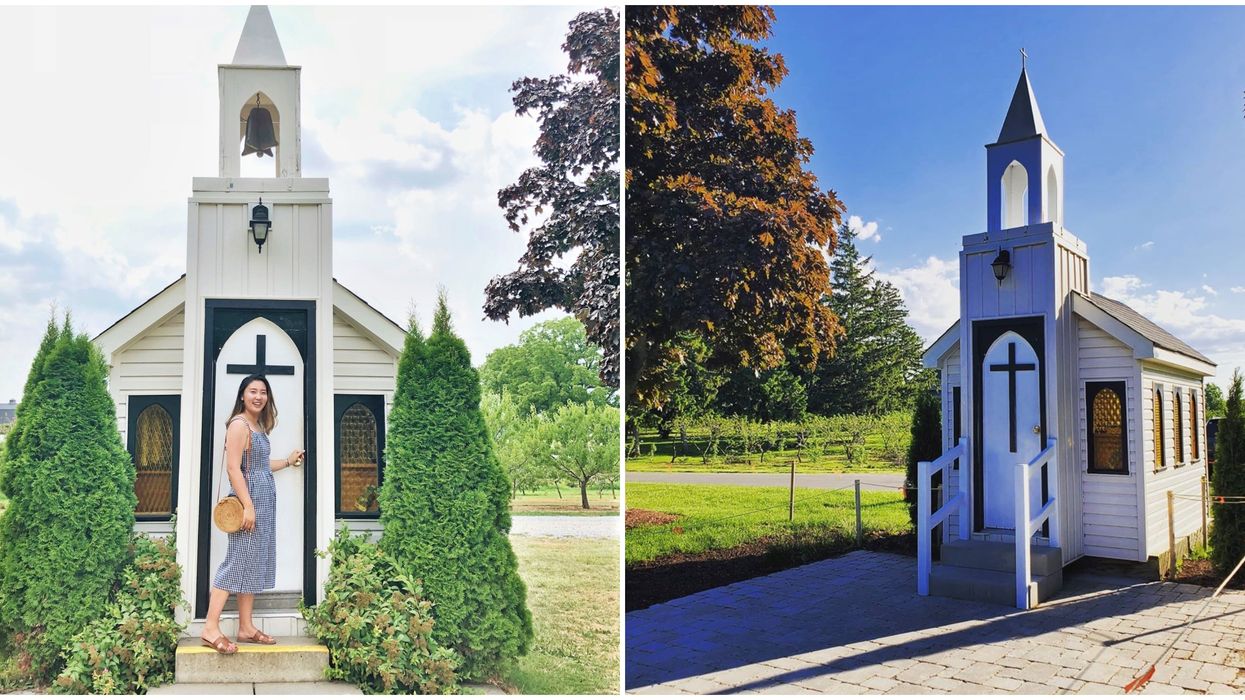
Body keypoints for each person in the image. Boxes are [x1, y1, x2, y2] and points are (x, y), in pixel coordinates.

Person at [199, 374, 305, 654]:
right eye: (253, 391)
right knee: (236, 562)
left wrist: (288, 461)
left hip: (263, 501)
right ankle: (210, 627)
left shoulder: (258, 426)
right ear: (242, 395)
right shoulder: (239, 425)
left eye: (263, 392)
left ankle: (245, 627)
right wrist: (247, 505)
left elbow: (259, 465)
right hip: (249, 501)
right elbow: (233, 468)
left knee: (252, 562)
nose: (258, 396)